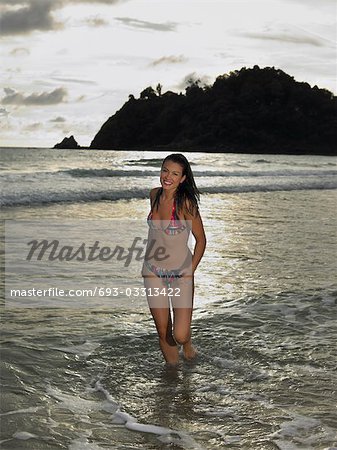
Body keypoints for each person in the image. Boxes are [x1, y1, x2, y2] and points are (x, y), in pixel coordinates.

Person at [143, 153, 206, 366]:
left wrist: (191, 270)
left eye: (175, 173)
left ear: (183, 179)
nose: (167, 176)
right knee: (163, 330)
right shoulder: (153, 195)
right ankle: (173, 375)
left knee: (179, 335)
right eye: (165, 170)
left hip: (181, 273)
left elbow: (201, 240)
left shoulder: (186, 205)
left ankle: (187, 345)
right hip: (153, 271)